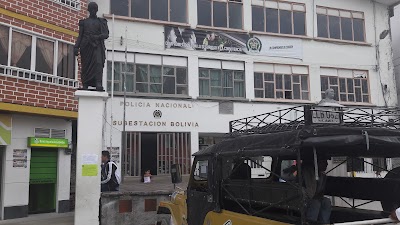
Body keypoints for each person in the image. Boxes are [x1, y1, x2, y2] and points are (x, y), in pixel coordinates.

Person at [74, 2, 109, 91]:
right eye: (91, 9)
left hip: (97, 46)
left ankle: (98, 83)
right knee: (85, 65)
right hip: (85, 46)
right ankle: (85, 84)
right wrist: (76, 47)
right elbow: (80, 36)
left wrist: (96, 37)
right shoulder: (84, 22)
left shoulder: (101, 22)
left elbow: (106, 34)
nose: (93, 11)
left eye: (94, 9)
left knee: (98, 63)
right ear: (89, 10)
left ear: (96, 10)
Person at [302, 159, 331, 224]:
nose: (326, 164)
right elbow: (309, 190)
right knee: (316, 203)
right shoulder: (309, 172)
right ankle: (310, 222)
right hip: (305, 198)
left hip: (315, 197)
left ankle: (324, 223)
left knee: (326, 201)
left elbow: (321, 191)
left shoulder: (323, 175)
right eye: (324, 162)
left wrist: (319, 196)